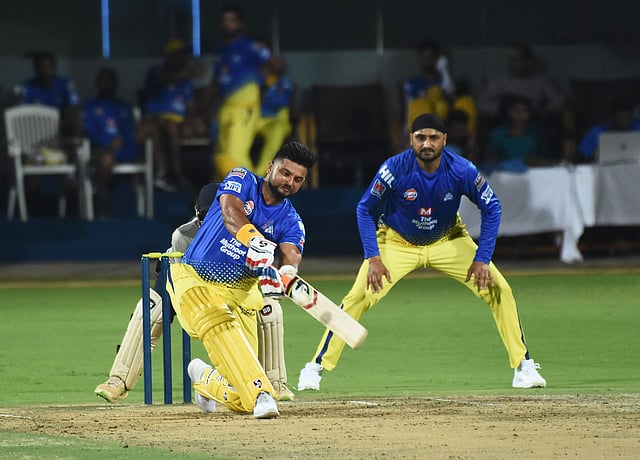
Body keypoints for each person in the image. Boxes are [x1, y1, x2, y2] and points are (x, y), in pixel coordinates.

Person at [297, 113, 546, 392]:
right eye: (421, 138)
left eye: (434, 138)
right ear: (411, 139)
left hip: (448, 240)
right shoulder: (394, 169)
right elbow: (365, 209)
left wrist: (482, 258)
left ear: (444, 140)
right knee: (357, 297)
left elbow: (492, 207)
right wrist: (374, 257)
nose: (427, 143)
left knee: (500, 290)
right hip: (397, 242)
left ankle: (523, 366)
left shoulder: (462, 170)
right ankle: (315, 367)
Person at [94, 183, 296, 403]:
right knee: (150, 310)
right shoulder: (183, 235)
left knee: (270, 309)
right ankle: (119, 380)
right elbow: (182, 281)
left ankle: (274, 383)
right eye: (203, 216)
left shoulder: (249, 231)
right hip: (184, 278)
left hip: (235, 285)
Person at [168, 141, 316, 419]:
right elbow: (230, 212)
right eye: (285, 173)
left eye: (298, 179)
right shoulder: (243, 178)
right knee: (218, 321)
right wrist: (255, 241)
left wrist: (285, 273)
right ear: (271, 167)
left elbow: (291, 253)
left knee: (241, 391)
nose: (290, 182)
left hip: (242, 294)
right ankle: (263, 393)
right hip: (195, 278)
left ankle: (206, 379)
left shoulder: (291, 220)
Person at [210, 5, 283, 179]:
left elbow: (278, 66)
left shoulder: (250, 47)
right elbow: (216, 85)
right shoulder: (221, 52)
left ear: (240, 24)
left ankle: (254, 189)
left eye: (232, 20)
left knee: (234, 156)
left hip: (244, 109)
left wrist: (265, 81)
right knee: (222, 156)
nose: (228, 24)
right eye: (224, 21)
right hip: (225, 110)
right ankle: (237, 192)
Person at [140, 38, 205, 191]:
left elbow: (191, 106)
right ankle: (175, 173)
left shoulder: (186, 81)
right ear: (170, 56)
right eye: (179, 54)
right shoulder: (157, 72)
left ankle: (180, 174)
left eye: (185, 54)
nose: (184, 58)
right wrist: (187, 73)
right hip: (157, 119)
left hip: (179, 121)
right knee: (170, 126)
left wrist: (194, 120)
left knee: (183, 127)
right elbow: (166, 79)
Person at [82, 67, 142, 217]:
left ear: (116, 83)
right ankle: (102, 198)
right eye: (103, 81)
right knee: (106, 159)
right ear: (97, 83)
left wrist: (123, 143)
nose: (107, 84)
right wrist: (108, 143)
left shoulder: (124, 107)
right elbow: (88, 131)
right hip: (100, 150)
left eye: (110, 81)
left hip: (124, 150)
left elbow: (130, 131)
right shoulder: (90, 107)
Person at [14, 50, 82, 137]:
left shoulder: (65, 83)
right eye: (41, 67)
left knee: (76, 119)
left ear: (54, 68)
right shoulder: (27, 87)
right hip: (36, 128)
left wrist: (58, 126)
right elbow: (21, 113)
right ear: (35, 69)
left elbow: (74, 108)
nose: (44, 71)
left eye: (48, 67)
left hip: (61, 126)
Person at [252, 38, 294, 176]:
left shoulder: (282, 81)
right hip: (253, 119)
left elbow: (279, 101)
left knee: (276, 132)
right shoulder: (250, 77)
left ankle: (260, 175)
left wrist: (263, 90)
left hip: (275, 119)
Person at [402, 40, 455, 134]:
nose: (428, 61)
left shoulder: (444, 81)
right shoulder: (411, 83)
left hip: (442, 122)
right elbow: (409, 107)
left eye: (431, 57)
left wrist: (444, 69)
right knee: (422, 104)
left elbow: (452, 96)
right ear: (420, 59)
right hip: (420, 124)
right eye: (425, 57)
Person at [484, 96, 548, 173]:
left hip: (530, 174)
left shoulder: (535, 135)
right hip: (502, 174)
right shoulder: (498, 134)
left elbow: (543, 159)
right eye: (515, 110)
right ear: (509, 112)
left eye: (523, 111)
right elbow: (490, 159)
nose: (519, 114)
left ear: (529, 114)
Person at [574, 97, 640, 162]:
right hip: (606, 167)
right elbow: (580, 155)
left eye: (628, 117)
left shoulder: (637, 127)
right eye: (621, 117)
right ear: (613, 117)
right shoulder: (597, 132)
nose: (625, 121)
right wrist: (593, 155)